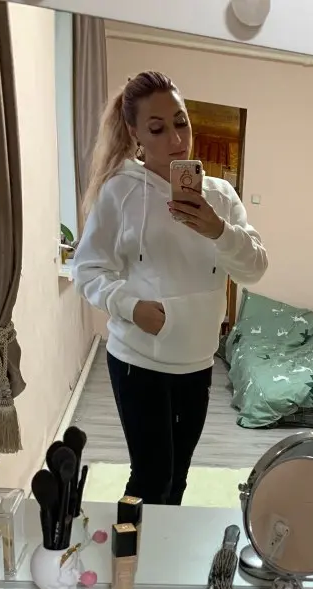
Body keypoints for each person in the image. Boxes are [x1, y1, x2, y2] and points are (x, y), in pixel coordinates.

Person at [74, 71, 268, 504]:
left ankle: (159, 546)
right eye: (158, 128)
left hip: (198, 361)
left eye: (181, 122)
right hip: (138, 358)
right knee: (151, 477)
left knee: (178, 476)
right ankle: (130, 548)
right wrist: (130, 306)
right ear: (136, 134)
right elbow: (87, 270)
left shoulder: (221, 196)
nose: (176, 139)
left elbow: (255, 268)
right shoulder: (120, 191)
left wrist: (218, 230)